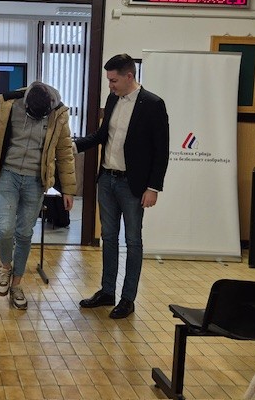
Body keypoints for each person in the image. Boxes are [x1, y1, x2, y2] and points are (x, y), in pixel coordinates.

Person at [75, 53, 169, 319]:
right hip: (107, 179)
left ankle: (128, 298)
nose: (110, 85)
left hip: (133, 185)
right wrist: (72, 146)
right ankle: (107, 292)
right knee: (109, 238)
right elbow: (101, 135)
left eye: (113, 80)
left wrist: (153, 187)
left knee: (133, 241)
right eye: (108, 80)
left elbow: (161, 150)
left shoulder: (153, 104)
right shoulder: (112, 99)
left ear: (129, 76)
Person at [0, 81, 76, 310]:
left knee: (24, 233)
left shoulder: (59, 114)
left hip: (35, 181)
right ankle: (5, 267)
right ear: (26, 102)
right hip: (8, 176)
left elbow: (64, 153)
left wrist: (68, 190)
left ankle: (17, 284)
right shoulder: (8, 105)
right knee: (5, 228)